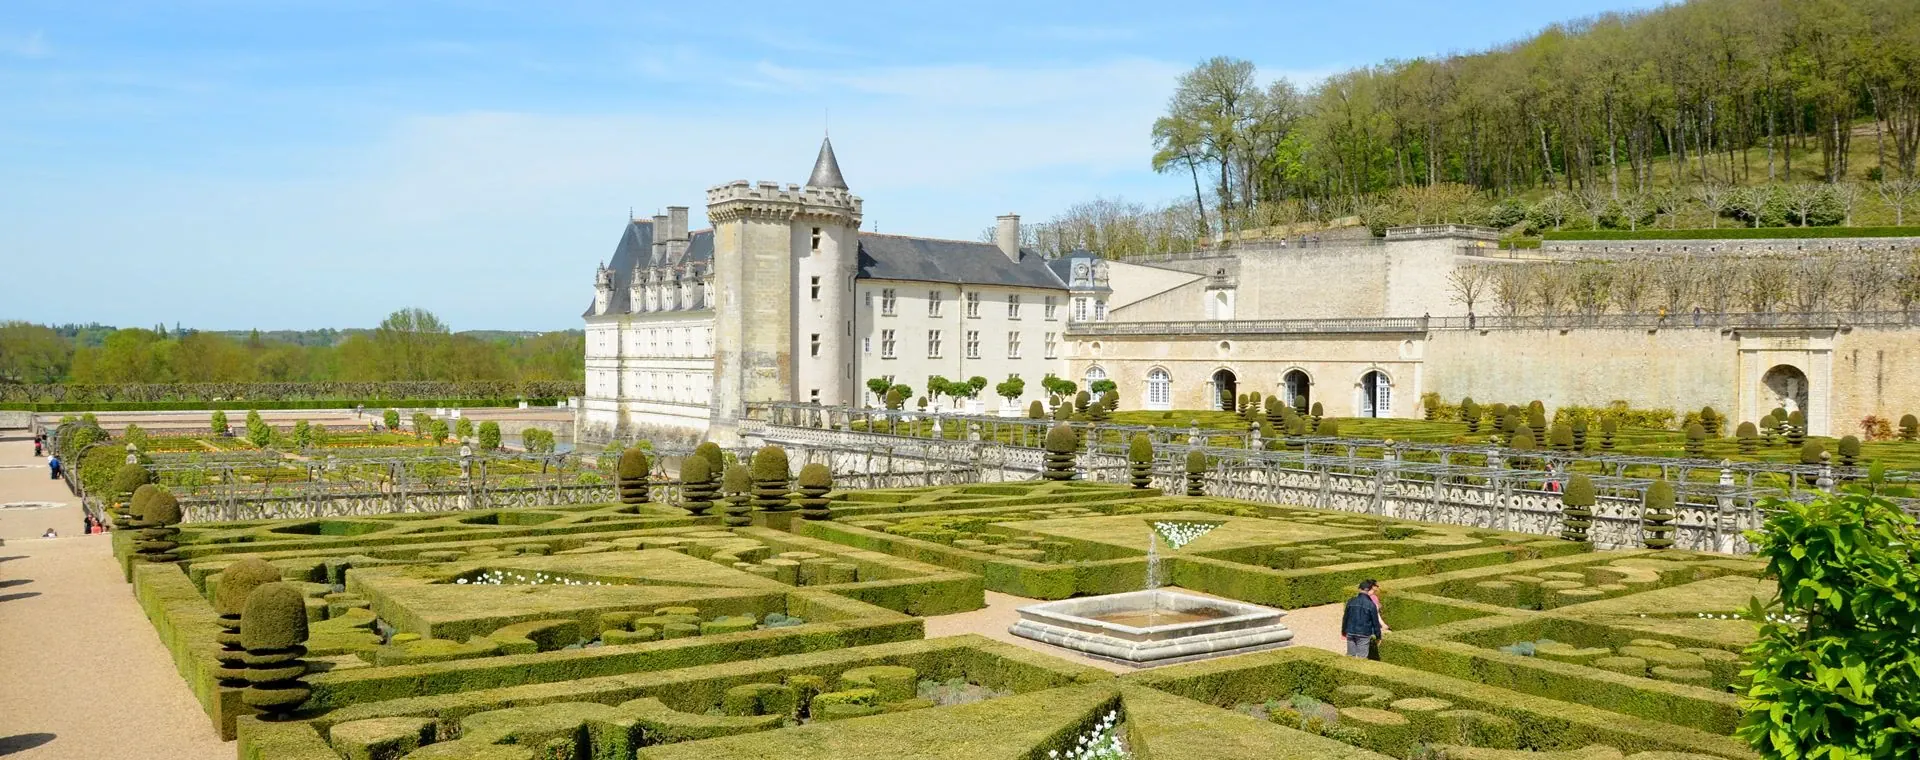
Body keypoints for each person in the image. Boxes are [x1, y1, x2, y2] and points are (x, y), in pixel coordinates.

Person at [1341, 579, 1388, 658]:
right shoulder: (1371, 604)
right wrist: (1378, 636)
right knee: (1362, 658)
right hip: (1363, 633)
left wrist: (1343, 631)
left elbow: (1345, 618)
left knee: (1350, 656)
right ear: (1369, 590)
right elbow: (1375, 622)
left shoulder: (1350, 601)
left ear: (1359, 589)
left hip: (1351, 631)